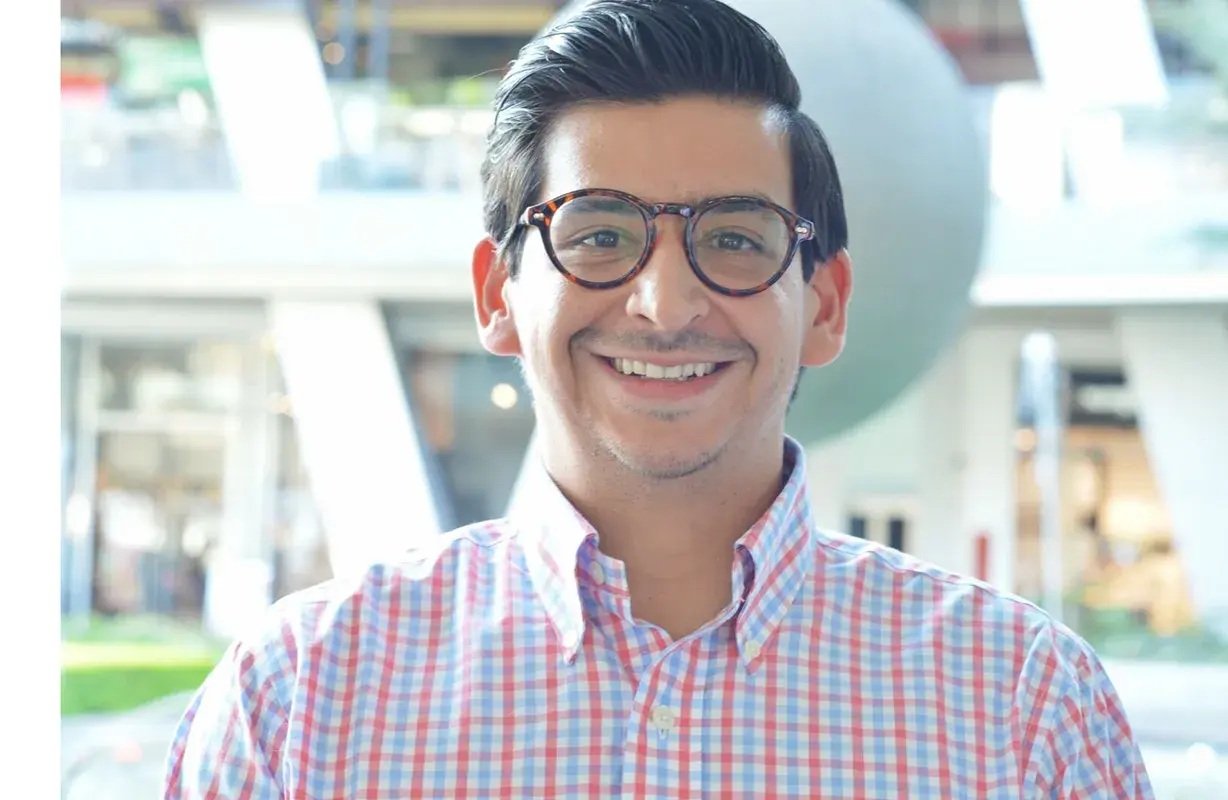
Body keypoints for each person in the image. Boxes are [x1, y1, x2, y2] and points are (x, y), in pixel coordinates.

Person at [165, 0, 1154, 796]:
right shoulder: (297, 698)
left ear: (824, 304)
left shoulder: (1023, 707)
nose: (665, 303)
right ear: (496, 295)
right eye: (598, 234)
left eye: (733, 237)